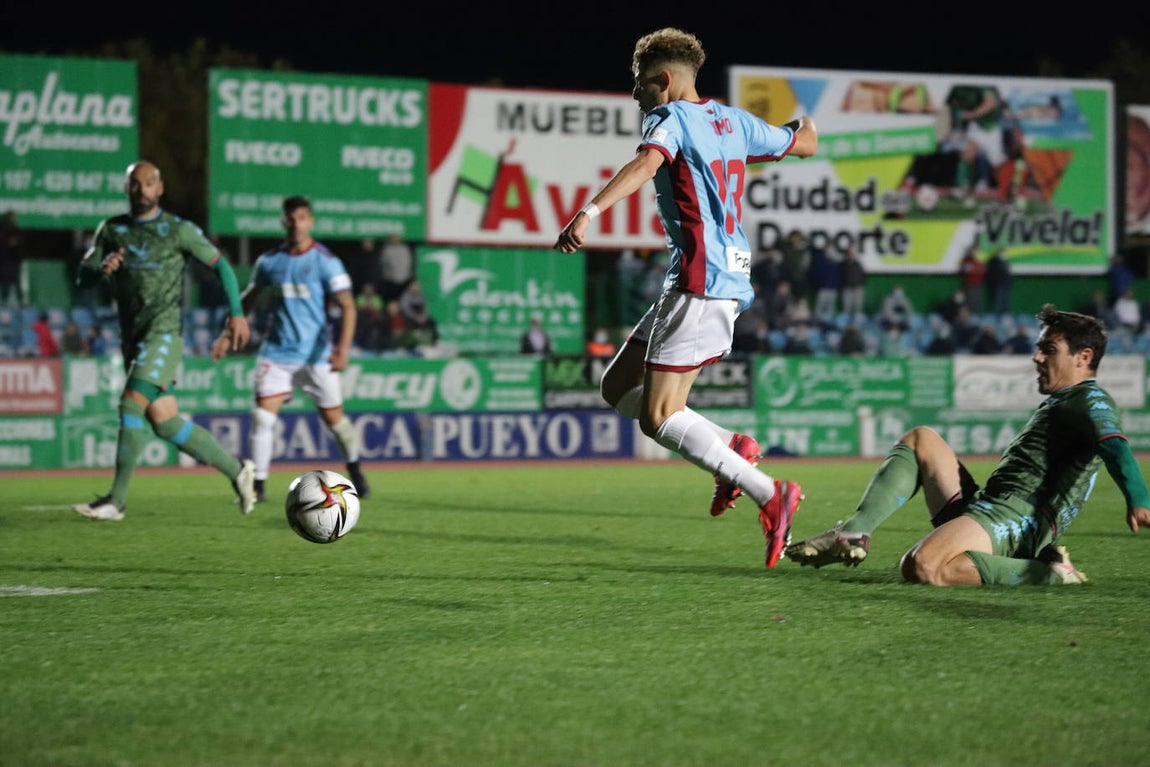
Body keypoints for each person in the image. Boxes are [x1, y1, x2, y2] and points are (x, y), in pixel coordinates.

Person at [553, 27, 818, 568]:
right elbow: (806, 141)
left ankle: (772, 494)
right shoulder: (736, 123)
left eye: (639, 85)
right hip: (712, 276)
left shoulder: (668, 119)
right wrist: (800, 121)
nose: (635, 96)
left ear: (665, 81)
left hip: (702, 278)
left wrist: (589, 212)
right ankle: (731, 448)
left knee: (657, 416)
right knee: (616, 385)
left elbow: (646, 164)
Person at [786, 304, 1150, 586]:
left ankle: (1049, 573)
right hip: (990, 507)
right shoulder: (1066, 400)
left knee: (924, 567)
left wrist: (1139, 498)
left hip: (1017, 521)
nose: (1037, 357)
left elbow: (1114, 444)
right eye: (1039, 349)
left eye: (1049, 349)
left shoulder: (1091, 400)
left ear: (1083, 357)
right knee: (922, 439)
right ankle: (853, 531)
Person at [72, 160, 256, 521]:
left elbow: (221, 265)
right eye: (135, 184)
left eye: (149, 183)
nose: (142, 190)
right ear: (127, 189)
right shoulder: (111, 230)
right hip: (133, 337)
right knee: (165, 421)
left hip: (164, 335)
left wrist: (236, 312)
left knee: (130, 404)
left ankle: (116, 501)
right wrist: (99, 270)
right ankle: (238, 470)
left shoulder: (178, 230)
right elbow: (83, 279)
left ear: (161, 188)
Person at [211, 195, 371, 503]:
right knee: (262, 419)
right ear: (284, 222)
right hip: (277, 354)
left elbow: (349, 307)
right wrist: (225, 336)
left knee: (336, 422)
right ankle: (257, 487)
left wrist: (343, 350)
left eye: (303, 218)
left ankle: (355, 468)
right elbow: (249, 299)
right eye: (291, 218)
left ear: (310, 221)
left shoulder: (326, 261)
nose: (297, 224)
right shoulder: (270, 261)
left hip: (317, 357)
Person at [378, 232, 414, 301]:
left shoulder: (405, 248)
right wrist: (386, 276)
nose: (395, 240)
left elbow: (409, 263)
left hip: (405, 281)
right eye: (393, 238)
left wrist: (409, 277)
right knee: (392, 301)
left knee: (404, 301)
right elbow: (383, 264)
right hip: (391, 281)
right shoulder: (386, 249)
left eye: (397, 238)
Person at [0, 210, 25, 308]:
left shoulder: (16, 230)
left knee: (17, 283)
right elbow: (5, 243)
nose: (15, 219)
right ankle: (4, 303)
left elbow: (20, 242)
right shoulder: (3, 229)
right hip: (4, 261)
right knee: (5, 283)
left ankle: (21, 303)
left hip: (14, 261)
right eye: (13, 217)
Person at [985, 248, 1012, 317]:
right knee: (998, 302)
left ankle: (1004, 317)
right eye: (1002, 253)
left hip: (1006, 284)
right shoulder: (994, 262)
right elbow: (992, 274)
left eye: (1004, 253)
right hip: (998, 284)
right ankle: (995, 317)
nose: (1004, 255)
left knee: (1005, 302)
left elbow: (1008, 274)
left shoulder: (1006, 262)